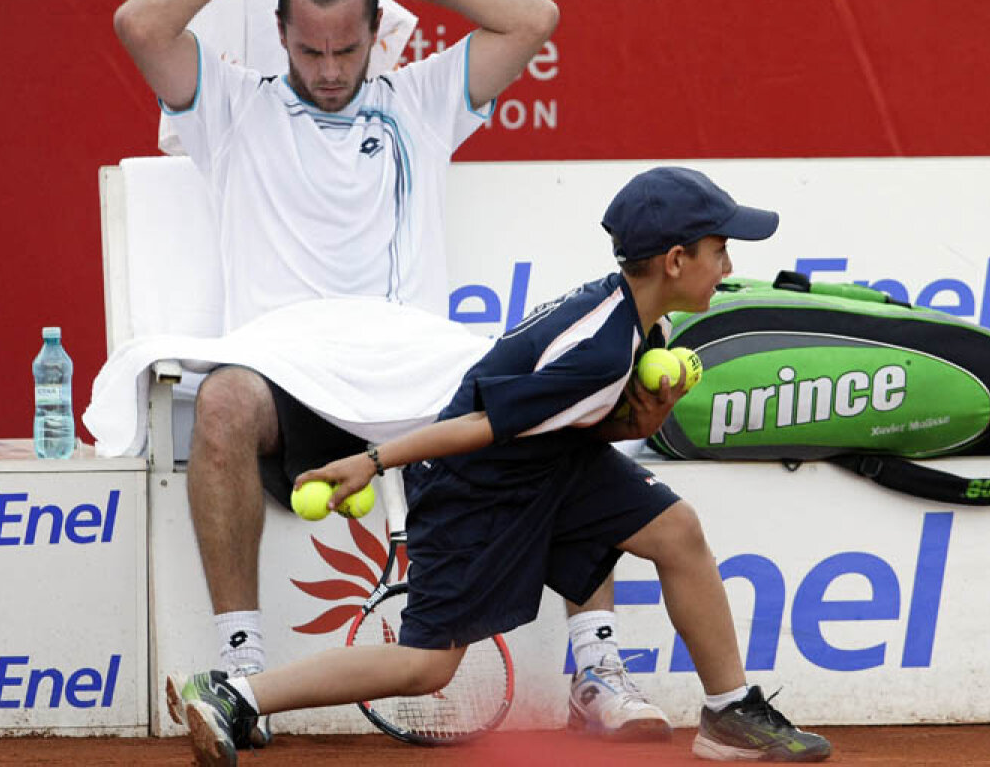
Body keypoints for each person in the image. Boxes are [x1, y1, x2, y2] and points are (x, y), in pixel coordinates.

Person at [113, 0, 669, 745]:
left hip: (418, 374)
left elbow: (535, 17)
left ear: (378, 32)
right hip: (290, 373)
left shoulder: (422, 100)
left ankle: (598, 668)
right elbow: (140, 23)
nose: (331, 70)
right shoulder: (231, 107)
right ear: (280, 35)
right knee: (223, 400)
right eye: (310, 50)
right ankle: (244, 671)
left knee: (555, 397)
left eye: (347, 47)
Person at [166, 166, 834, 764]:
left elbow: (581, 422)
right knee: (425, 666)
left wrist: (641, 422)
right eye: (721, 249)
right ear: (678, 259)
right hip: (479, 487)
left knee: (676, 530)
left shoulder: (643, 322)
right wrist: (372, 461)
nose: (729, 264)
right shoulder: (600, 347)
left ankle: (728, 710)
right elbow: (479, 424)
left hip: (553, 464)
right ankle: (239, 694)